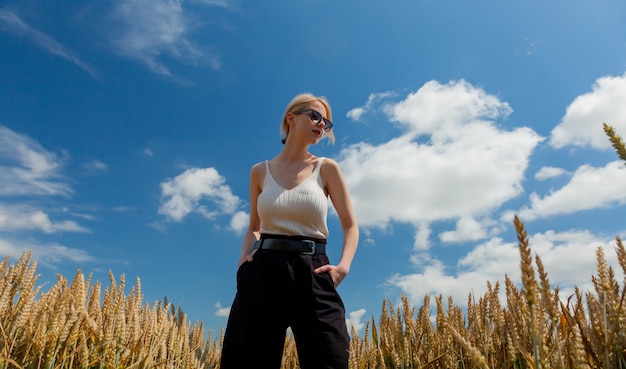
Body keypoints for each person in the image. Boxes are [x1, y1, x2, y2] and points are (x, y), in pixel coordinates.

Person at [220, 93, 359, 369]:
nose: (322, 124)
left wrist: (343, 266)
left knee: (330, 358)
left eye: (327, 123)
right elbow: (254, 227)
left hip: (313, 270)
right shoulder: (260, 172)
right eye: (315, 116)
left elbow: (350, 225)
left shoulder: (326, 168)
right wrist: (242, 261)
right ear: (291, 118)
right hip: (262, 270)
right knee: (247, 361)